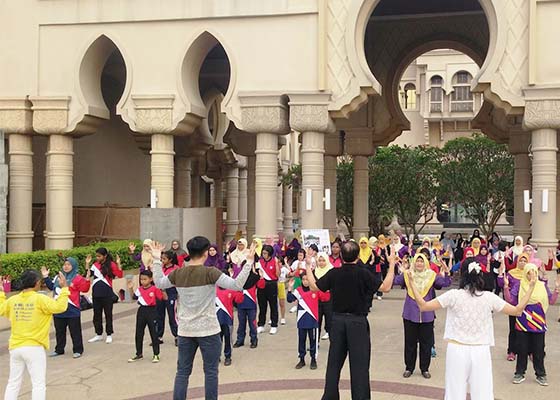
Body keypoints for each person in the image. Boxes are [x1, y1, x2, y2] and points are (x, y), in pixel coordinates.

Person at [407, 257, 538, 400]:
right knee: (483, 394)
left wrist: (412, 282)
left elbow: (423, 306)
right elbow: (517, 310)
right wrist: (531, 286)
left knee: (454, 393)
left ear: (463, 275)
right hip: (480, 351)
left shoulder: (453, 296)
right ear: (480, 275)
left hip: (457, 350)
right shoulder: (489, 297)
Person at [152, 237, 255, 400]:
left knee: (183, 372)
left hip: (186, 331)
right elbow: (236, 285)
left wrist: (157, 259)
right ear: (206, 252)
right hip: (209, 330)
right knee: (211, 372)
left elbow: (158, 283)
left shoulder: (178, 273)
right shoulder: (210, 272)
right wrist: (248, 262)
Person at [306, 241, 397, 400]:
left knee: (334, 364)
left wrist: (307, 265)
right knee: (360, 367)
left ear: (341, 255)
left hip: (337, 322)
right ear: (357, 256)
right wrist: (391, 264)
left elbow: (314, 286)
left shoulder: (334, 273)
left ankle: (329, 396)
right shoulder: (363, 273)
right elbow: (386, 287)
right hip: (357, 322)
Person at [1, 269, 69, 400]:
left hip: (15, 347)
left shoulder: (13, 300)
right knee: (38, 384)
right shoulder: (40, 299)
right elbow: (60, 307)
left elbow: (1, 308)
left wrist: (1, 292)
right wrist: (65, 288)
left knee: (13, 383)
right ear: (37, 283)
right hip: (34, 348)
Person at [394, 254, 451, 379]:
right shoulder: (408, 275)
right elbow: (396, 281)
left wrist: (446, 271)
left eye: (421, 261)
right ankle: (409, 367)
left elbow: (445, 283)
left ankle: (424, 368)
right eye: (417, 261)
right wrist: (403, 270)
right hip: (410, 313)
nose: (419, 263)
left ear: (426, 263)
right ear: (413, 262)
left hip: (426, 315)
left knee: (426, 343)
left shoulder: (431, 276)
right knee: (410, 343)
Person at [504, 263, 559, 386]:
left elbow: (551, 300)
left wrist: (556, 290)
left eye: (534, 271)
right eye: (529, 272)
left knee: (538, 350)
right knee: (522, 349)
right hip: (523, 321)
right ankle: (519, 373)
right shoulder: (519, 285)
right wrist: (506, 287)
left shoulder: (542, 285)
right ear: (525, 273)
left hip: (538, 322)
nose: (532, 274)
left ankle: (541, 374)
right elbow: (511, 301)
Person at [41, 257, 90, 358]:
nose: (66, 266)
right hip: (58, 309)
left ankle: (78, 350)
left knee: (75, 331)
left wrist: (88, 279)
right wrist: (46, 277)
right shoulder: (58, 277)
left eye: (69, 264)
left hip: (72, 309)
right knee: (59, 331)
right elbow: (51, 287)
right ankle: (59, 349)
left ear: (73, 266)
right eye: (65, 264)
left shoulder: (77, 278)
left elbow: (85, 289)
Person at [287, 271, 330, 370]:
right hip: (301, 320)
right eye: (303, 279)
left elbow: (325, 298)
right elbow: (289, 299)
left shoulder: (315, 290)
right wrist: (290, 288)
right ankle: (301, 359)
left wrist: (328, 288)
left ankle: (313, 359)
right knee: (301, 340)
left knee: (313, 341)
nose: (305, 281)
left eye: (307, 279)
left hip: (313, 321)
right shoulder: (298, 290)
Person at [87, 247, 123, 344]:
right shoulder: (95, 265)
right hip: (96, 293)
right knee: (96, 315)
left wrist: (119, 263)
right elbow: (88, 274)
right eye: (97, 256)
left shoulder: (111, 265)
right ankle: (98, 334)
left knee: (108, 314)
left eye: (99, 256)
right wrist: (87, 263)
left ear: (105, 256)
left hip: (107, 293)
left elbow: (119, 275)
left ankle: (109, 334)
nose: (97, 258)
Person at [127, 270, 163, 363]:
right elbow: (133, 298)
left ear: (151, 279)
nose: (143, 281)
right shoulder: (139, 289)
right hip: (142, 311)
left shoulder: (154, 289)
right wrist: (130, 288)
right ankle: (139, 354)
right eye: (141, 279)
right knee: (139, 333)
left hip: (152, 311)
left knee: (153, 333)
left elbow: (163, 298)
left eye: (145, 279)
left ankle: (156, 354)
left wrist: (162, 288)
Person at [233, 262, 264, 349]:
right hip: (241, 304)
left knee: (252, 324)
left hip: (251, 304)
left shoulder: (255, 277)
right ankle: (240, 340)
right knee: (241, 324)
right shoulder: (239, 278)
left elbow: (261, 286)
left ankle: (254, 340)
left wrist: (261, 277)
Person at [216, 277, 244, 366]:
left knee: (228, 339)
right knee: (217, 340)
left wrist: (240, 290)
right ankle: (217, 356)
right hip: (216, 321)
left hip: (228, 320)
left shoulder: (231, 290)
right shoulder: (213, 290)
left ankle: (228, 357)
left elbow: (239, 300)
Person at [156, 250, 180, 346]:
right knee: (159, 315)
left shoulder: (176, 269)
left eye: (164, 259)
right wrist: (162, 291)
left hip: (171, 293)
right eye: (161, 258)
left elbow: (176, 282)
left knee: (172, 316)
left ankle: (177, 336)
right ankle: (159, 336)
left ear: (170, 260)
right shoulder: (160, 268)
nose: (162, 260)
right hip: (160, 293)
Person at [256, 244, 280, 334]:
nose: (264, 255)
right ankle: (261, 324)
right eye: (263, 253)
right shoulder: (260, 261)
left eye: (265, 253)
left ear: (270, 254)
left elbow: (277, 275)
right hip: (262, 285)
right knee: (262, 306)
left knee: (273, 306)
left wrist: (277, 264)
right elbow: (257, 271)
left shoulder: (274, 261)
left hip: (272, 284)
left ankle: (274, 325)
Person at [315, 252, 334, 340]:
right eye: (319, 260)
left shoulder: (332, 271)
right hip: (316, 300)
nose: (321, 262)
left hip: (329, 301)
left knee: (330, 322)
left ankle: (333, 343)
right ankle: (315, 343)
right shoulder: (314, 271)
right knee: (316, 322)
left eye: (323, 260)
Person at [277, 255, 290, 325]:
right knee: (273, 303)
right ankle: (272, 318)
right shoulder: (274, 268)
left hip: (281, 284)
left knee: (282, 303)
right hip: (274, 284)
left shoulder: (284, 269)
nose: (279, 264)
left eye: (280, 262)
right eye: (277, 262)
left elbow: (290, 273)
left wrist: (286, 281)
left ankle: (282, 318)